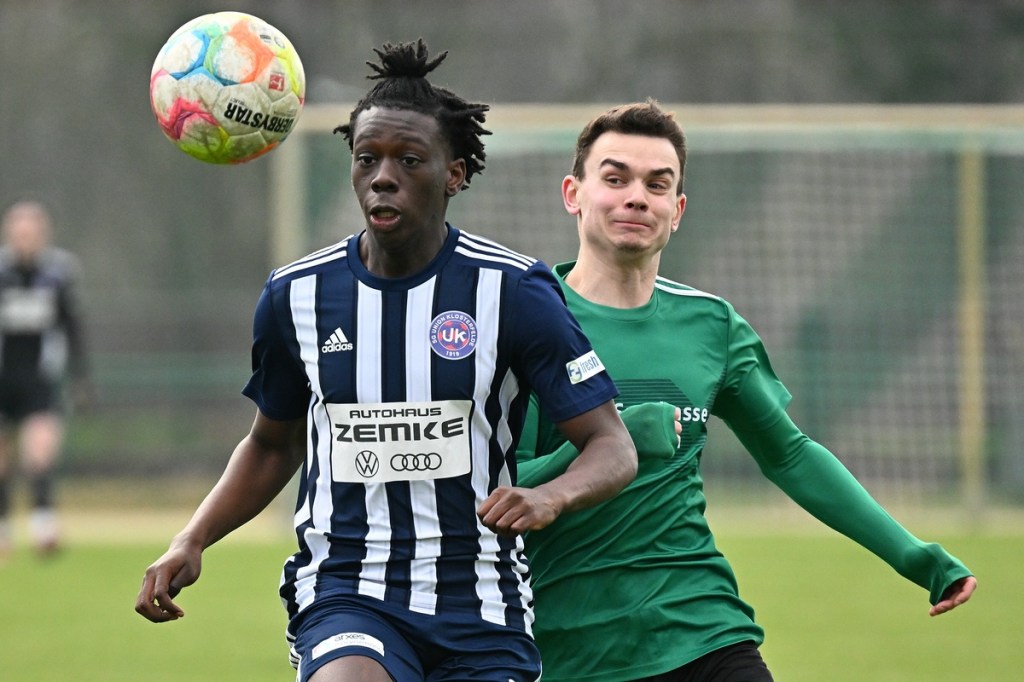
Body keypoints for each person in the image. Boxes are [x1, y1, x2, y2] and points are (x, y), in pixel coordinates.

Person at [134, 40, 637, 682]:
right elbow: (270, 445)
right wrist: (193, 537)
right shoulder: (297, 295)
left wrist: (551, 497)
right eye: (367, 158)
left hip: (480, 601)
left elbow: (611, 445)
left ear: (454, 174)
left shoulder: (513, 290)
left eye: (409, 159)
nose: (383, 176)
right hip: (348, 587)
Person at [515, 100, 977, 682]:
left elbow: (790, 454)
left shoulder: (713, 325)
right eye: (615, 179)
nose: (637, 198)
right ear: (573, 194)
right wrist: (611, 443)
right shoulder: (523, 322)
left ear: (677, 210)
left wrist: (913, 554)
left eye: (657, 185)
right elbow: (496, 493)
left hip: (702, 627)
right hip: (568, 645)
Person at [0, 200, 92, 560]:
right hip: (3, 377)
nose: (25, 238)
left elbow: (73, 326)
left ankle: (43, 524)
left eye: (32, 232)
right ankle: (4, 528)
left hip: (40, 378)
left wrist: (81, 377)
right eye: (19, 231)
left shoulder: (59, 273)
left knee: (40, 450)